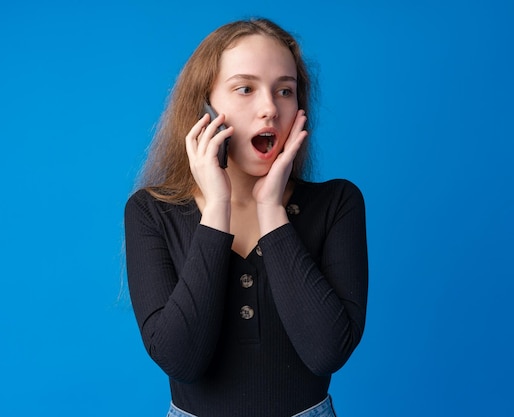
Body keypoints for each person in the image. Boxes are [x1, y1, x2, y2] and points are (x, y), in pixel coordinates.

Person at [124, 17, 368, 417]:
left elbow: (327, 352)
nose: (270, 108)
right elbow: (181, 360)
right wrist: (217, 208)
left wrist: (271, 211)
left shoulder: (338, 203)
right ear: (204, 109)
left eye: (285, 91)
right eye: (245, 88)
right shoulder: (151, 212)